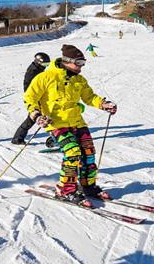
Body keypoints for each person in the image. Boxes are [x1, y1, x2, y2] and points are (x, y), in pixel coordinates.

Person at [23, 44, 117, 205]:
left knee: (88, 153)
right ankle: (66, 190)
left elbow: (89, 97)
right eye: (79, 63)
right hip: (56, 123)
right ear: (67, 61)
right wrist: (37, 115)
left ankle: (88, 186)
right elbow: (29, 98)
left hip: (77, 121)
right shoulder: (45, 77)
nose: (81, 67)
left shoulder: (79, 79)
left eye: (83, 63)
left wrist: (103, 104)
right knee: (73, 153)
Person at [11, 52, 51, 145]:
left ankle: (17, 138)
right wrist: (35, 98)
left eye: (47, 64)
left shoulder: (37, 69)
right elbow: (30, 88)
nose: (46, 66)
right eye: (45, 64)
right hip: (33, 98)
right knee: (33, 118)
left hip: (38, 96)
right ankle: (17, 138)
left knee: (37, 118)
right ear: (38, 62)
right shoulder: (33, 72)